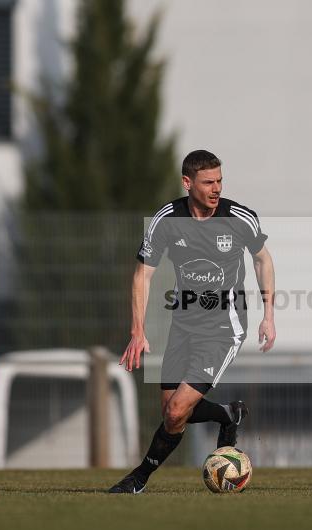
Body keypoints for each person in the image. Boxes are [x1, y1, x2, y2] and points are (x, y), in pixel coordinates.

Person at [109, 150, 276, 494]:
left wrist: (268, 314)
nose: (216, 188)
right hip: (182, 325)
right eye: (208, 182)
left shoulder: (239, 218)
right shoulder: (168, 219)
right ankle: (227, 414)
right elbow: (143, 274)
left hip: (223, 329)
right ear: (187, 183)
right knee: (173, 413)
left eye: (219, 181)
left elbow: (262, 260)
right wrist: (137, 330)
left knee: (176, 412)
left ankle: (137, 479)